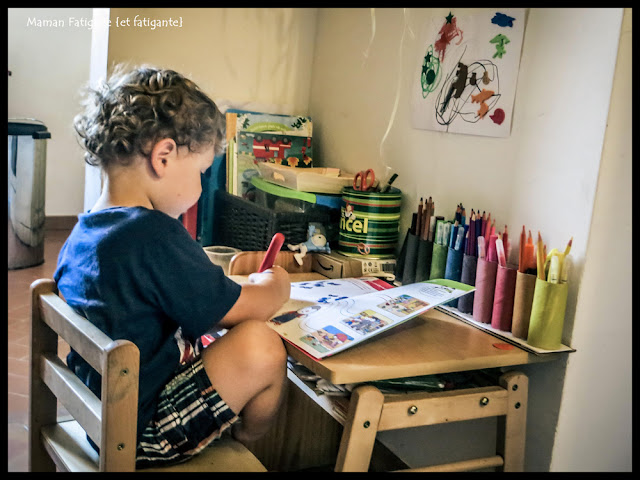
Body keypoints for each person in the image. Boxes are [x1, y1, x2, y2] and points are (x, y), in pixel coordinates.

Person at [54, 65, 291, 469]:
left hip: (102, 415)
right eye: (200, 172)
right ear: (163, 156)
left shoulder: (86, 233)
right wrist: (275, 285)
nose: (200, 188)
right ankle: (243, 440)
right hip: (139, 434)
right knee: (261, 344)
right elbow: (251, 310)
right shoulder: (151, 235)